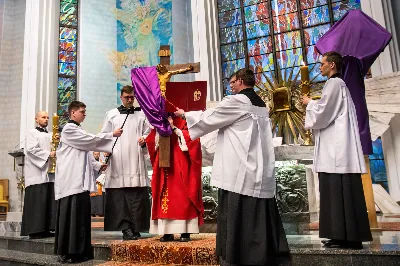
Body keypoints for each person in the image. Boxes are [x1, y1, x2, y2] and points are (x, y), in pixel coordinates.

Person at [175, 68, 289, 265]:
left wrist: (185, 115)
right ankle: (263, 252)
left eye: (233, 81)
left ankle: (238, 254)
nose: (230, 84)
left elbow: (210, 117)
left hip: (239, 171)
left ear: (242, 81)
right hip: (259, 169)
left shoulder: (236, 101)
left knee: (238, 212)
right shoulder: (261, 103)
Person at [302, 51, 372, 249]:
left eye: (323, 63)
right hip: (337, 146)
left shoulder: (334, 84)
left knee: (335, 189)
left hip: (336, 150)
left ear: (332, 65)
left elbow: (324, 112)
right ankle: (344, 235)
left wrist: (309, 103)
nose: (320, 67)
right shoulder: (340, 84)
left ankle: (344, 237)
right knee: (340, 191)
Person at [54, 101, 123, 263]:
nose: (85, 114)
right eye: (82, 111)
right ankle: (70, 252)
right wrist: (111, 135)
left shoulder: (78, 130)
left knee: (80, 217)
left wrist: (99, 165)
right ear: (72, 113)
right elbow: (90, 141)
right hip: (71, 181)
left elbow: (86, 155)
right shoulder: (69, 129)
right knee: (72, 217)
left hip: (79, 181)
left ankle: (80, 250)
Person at [100, 85, 151, 240]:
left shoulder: (142, 114)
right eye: (127, 97)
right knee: (120, 197)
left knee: (137, 196)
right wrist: (107, 148)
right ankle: (125, 228)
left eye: (132, 97)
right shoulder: (112, 114)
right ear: (121, 97)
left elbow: (149, 133)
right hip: (119, 160)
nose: (130, 100)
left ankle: (136, 227)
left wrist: (145, 140)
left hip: (135, 158)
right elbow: (104, 135)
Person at [146, 116, 204, 242]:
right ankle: (167, 231)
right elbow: (151, 142)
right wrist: (159, 128)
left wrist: (174, 128)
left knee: (184, 195)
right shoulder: (159, 119)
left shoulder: (186, 118)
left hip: (182, 162)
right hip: (164, 164)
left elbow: (194, 140)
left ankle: (186, 230)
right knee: (165, 195)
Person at [21, 111, 57, 239]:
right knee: (38, 200)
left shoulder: (52, 134)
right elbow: (31, 149)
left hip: (50, 173)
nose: (46, 119)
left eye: (48, 117)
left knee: (49, 199)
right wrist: (48, 154)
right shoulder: (32, 133)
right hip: (36, 172)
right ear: (36, 119)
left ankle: (48, 227)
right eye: (43, 117)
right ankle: (36, 230)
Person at [90, 152, 105, 217]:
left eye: (97, 154)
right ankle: (93, 212)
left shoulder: (102, 162)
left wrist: (99, 179)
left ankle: (100, 212)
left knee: (99, 196)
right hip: (93, 180)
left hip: (100, 181)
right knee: (93, 196)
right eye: (95, 154)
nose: (96, 155)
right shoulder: (91, 162)